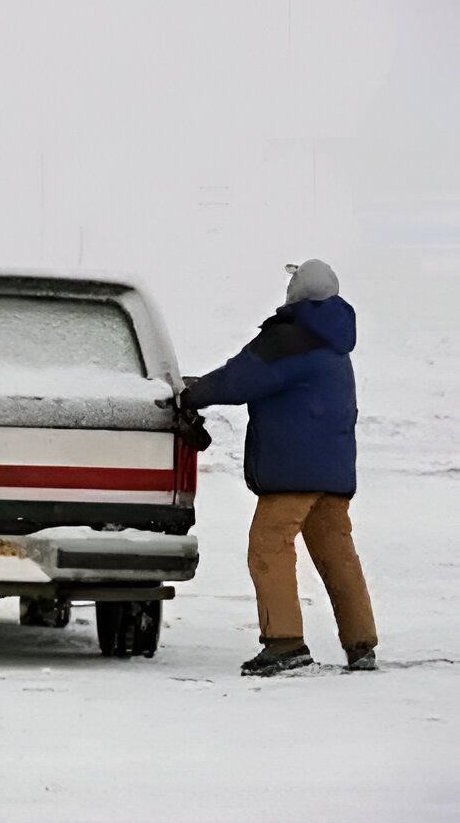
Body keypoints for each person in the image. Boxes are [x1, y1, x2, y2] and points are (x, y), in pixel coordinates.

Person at [181, 259, 378, 676]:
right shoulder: (335, 343)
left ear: (296, 293)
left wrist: (192, 394)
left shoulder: (288, 338)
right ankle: (361, 643)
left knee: (268, 546)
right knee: (337, 553)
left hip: (293, 471)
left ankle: (284, 644)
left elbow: (239, 379)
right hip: (333, 472)